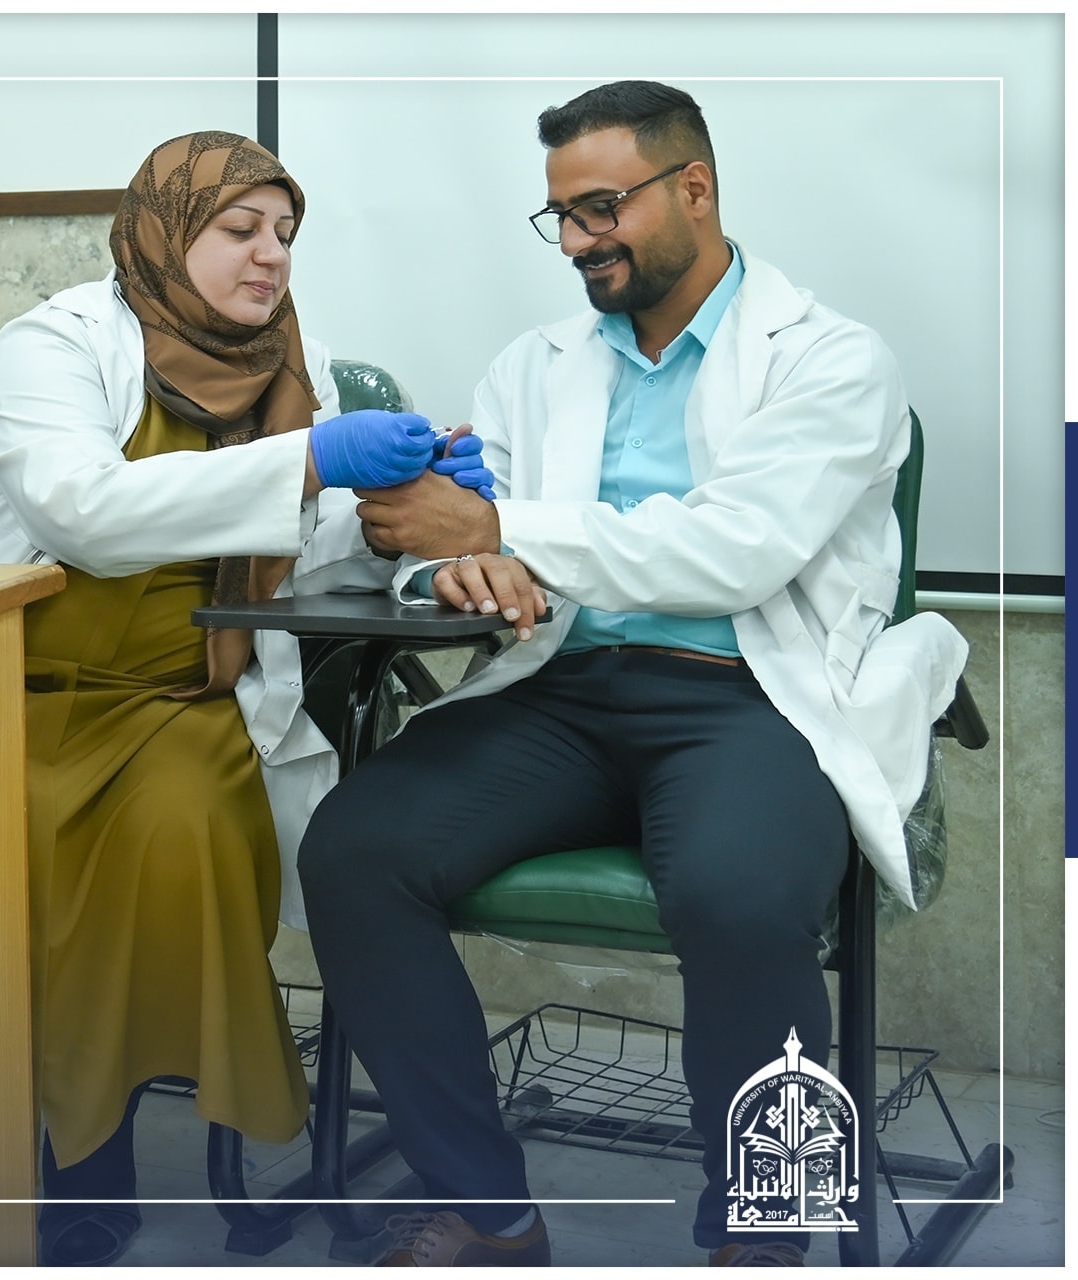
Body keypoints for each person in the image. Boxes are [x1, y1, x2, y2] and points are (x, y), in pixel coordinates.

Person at [298, 81, 967, 1267]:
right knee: (355, 851)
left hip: (749, 696)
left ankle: (764, 1227)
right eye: (561, 215)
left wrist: (498, 527)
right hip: (555, 688)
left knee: (740, 896)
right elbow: (448, 536)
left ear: (694, 188)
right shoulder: (534, 363)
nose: (578, 239)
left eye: (603, 207)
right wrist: (453, 568)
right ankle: (487, 1210)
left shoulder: (831, 359)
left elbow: (732, 551)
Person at [0, 130, 492, 1266]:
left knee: (184, 823)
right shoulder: (50, 348)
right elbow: (84, 515)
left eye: (285, 233)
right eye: (241, 230)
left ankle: (134, 1147)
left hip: (189, 698)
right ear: (163, 234)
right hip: (14, 693)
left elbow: (315, 553)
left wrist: (411, 513)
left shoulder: (297, 365)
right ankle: (64, 1147)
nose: (271, 256)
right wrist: (314, 460)